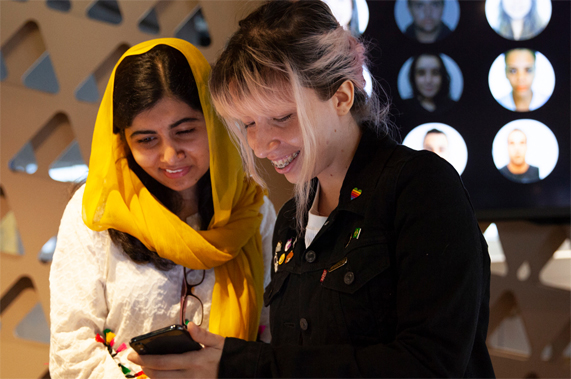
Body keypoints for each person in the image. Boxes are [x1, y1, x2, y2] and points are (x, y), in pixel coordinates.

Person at [129, 1, 495, 377]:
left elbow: (428, 365)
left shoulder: (420, 188)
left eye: (282, 117)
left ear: (342, 96)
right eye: (249, 124)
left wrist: (248, 366)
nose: (260, 144)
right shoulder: (292, 219)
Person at [49, 38, 276, 379]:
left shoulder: (252, 209)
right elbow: (71, 348)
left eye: (184, 131)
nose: (170, 156)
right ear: (123, 139)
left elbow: (273, 333)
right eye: (147, 140)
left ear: (215, 121)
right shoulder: (94, 213)